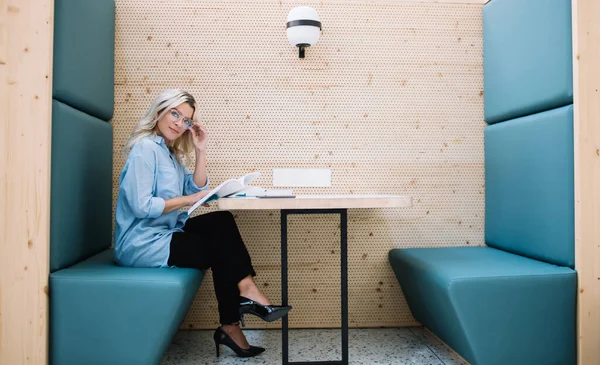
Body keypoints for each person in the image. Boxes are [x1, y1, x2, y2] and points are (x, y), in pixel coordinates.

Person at [114, 89, 291, 358]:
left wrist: (200, 150)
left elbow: (196, 187)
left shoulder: (170, 154)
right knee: (222, 250)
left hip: (165, 233)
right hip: (142, 244)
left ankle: (243, 299)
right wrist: (189, 200)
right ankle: (238, 310)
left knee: (221, 221)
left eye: (185, 120)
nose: (178, 123)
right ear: (160, 111)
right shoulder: (145, 148)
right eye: (175, 113)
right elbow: (142, 205)